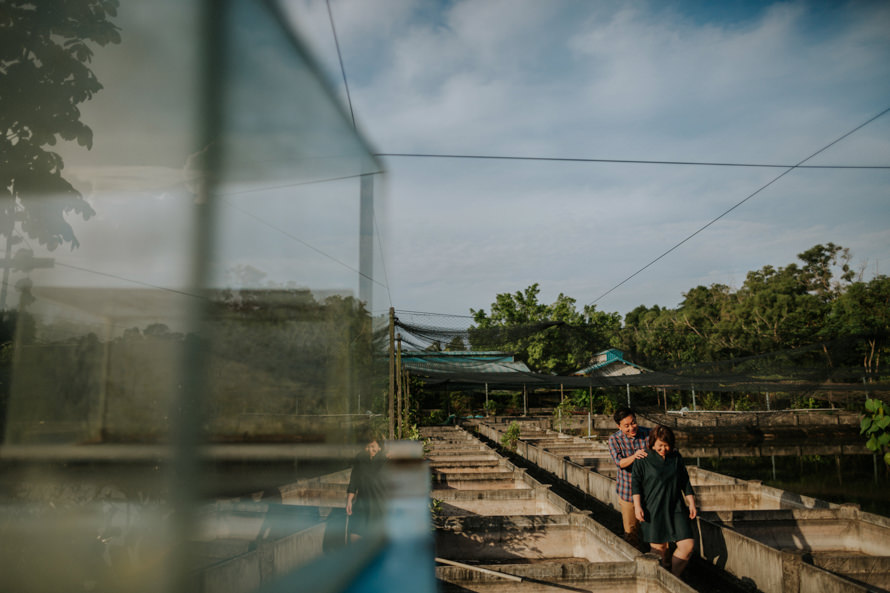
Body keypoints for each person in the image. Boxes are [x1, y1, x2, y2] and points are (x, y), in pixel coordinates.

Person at [631, 425, 697, 577]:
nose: (663, 449)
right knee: (659, 549)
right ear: (653, 443)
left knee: (687, 545)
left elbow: (684, 481)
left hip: (676, 507)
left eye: (666, 445)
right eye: (660, 445)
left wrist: (691, 503)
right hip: (653, 508)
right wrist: (637, 506)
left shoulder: (676, 457)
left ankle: (674, 577)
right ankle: (661, 580)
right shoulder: (643, 458)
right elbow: (636, 484)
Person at [607, 406, 651, 547]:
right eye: (626, 426)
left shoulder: (648, 434)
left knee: (654, 529)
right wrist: (634, 456)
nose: (632, 428)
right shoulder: (614, 440)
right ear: (618, 426)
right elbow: (619, 462)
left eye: (633, 423)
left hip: (649, 490)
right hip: (628, 491)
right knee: (631, 531)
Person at [345, 436, 386, 542]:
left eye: (373, 446)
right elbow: (354, 481)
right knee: (355, 534)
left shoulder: (385, 461)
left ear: (380, 447)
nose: (369, 450)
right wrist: (349, 500)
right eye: (367, 447)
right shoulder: (360, 459)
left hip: (379, 506)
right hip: (362, 504)